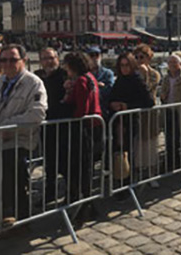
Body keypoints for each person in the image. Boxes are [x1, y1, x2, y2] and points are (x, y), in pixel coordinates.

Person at [0, 44, 48, 226]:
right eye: (3, 60)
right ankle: (4, 218)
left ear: (24, 61)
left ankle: (20, 222)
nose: (7, 64)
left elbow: (37, 113)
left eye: (13, 59)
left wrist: (7, 127)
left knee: (15, 184)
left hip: (18, 141)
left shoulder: (33, 83)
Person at [62, 51, 102, 221]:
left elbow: (82, 109)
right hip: (92, 126)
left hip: (83, 128)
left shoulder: (81, 80)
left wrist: (65, 105)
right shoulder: (90, 77)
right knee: (86, 169)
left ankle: (85, 206)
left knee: (82, 169)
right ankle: (87, 204)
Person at [109, 52, 154, 187]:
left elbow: (149, 101)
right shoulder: (119, 80)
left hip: (130, 121)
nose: (124, 68)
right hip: (117, 121)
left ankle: (127, 180)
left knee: (128, 151)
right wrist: (112, 104)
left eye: (127, 65)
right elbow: (112, 97)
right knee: (118, 151)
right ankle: (119, 178)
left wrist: (127, 106)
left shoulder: (136, 79)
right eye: (122, 66)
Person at [34, 47, 72, 203]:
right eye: (44, 58)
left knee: (66, 163)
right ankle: (49, 194)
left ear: (57, 58)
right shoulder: (38, 77)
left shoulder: (65, 76)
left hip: (64, 125)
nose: (48, 61)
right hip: (46, 126)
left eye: (51, 58)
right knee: (49, 163)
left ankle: (70, 194)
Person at [133, 44, 161, 182]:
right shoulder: (131, 73)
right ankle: (137, 171)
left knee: (150, 143)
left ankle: (151, 172)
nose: (139, 60)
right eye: (136, 57)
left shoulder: (154, 74)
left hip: (149, 114)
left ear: (148, 58)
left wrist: (144, 76)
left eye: (141, 57)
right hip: (134, 114)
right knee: (137, 144)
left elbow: (149, 91)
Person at [87, 46, 115, 117]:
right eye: (91, 55)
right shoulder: (85, 74)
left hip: (103, 111)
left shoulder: (108, 73)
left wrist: (94, 88)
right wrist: (98, 85)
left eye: (97, 55)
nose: (94, 58)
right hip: (88, 111)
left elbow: (110, 90)